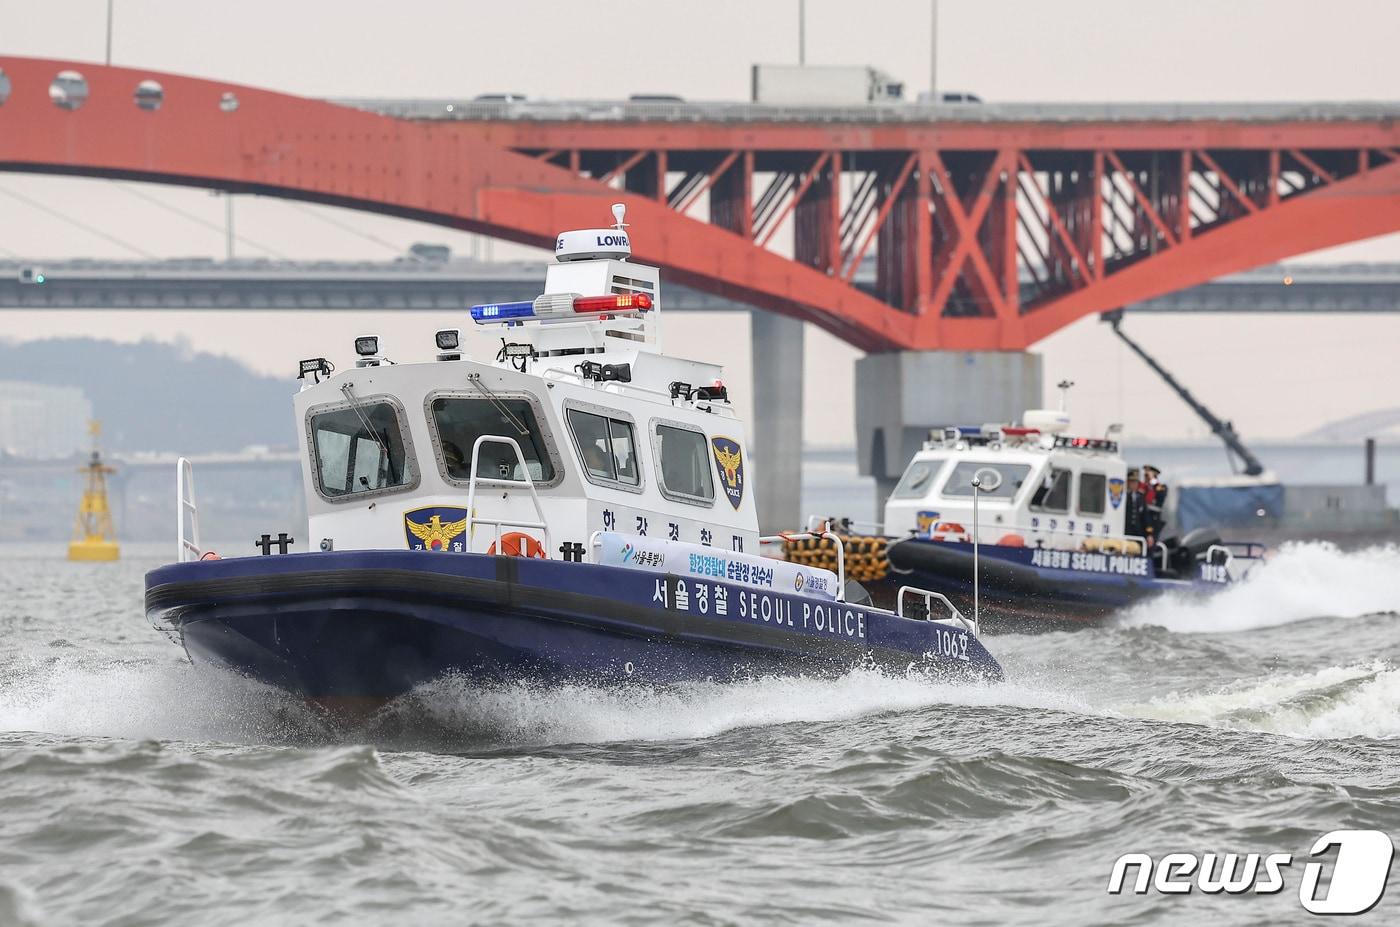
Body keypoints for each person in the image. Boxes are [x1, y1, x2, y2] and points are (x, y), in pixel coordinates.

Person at [1143, 464, 1168, 543]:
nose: (1146, 478)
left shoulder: (1161, 487)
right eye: (1145, 475)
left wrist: (1152, 480)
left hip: (1153, 522)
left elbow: (1160, 495)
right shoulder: (1144, 488)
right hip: (1141, 522)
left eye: (1148, 476)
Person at [1124, 468, 1147, 545]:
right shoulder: (1124, 496)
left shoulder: (1141, 497)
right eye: (1132, 482)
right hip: (1126, 531)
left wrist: (1149, 533)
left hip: (1138, 532)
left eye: (1136, 482)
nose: (1134, 485)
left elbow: (1145, 515)